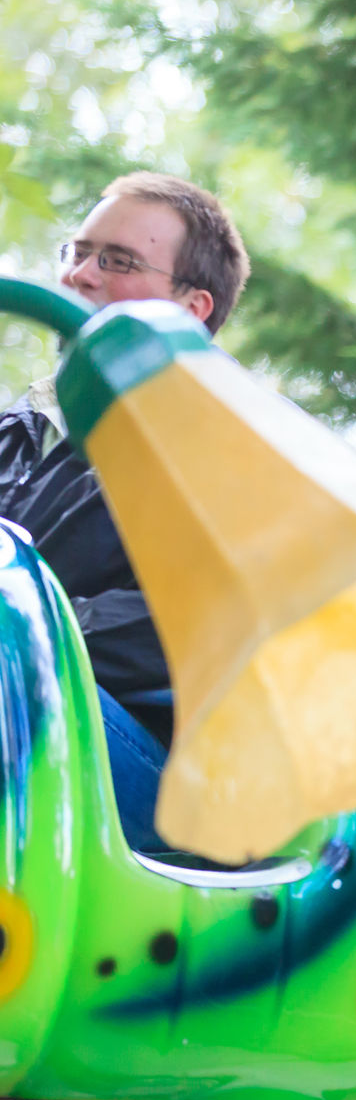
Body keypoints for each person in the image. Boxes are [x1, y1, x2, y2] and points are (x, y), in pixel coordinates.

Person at [0, 172, 251, 851]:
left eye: (117, 261)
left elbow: (188, 621)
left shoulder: (228, 443)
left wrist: (21, 625)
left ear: (190, 308)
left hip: (141, 765)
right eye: (77, 253)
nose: (79, 275)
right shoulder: (21, 427)